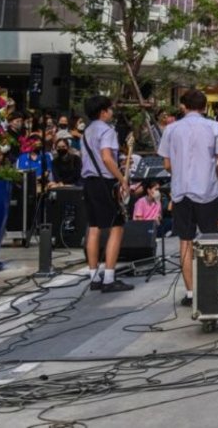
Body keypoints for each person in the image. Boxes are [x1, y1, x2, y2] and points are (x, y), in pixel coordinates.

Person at [158, 89, 218, 306]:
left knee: (185, 240)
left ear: (183, 106)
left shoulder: (171, 129)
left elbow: (166, 164)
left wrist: (181, 174)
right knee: (210, 239)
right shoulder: (214, 127)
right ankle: (211, 287)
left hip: (181, 191)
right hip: (207, 190)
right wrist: (217, 176)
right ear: (204, 107)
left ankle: (191, 292)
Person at [80, 95, 133, 293]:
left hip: (89, 181)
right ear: (103, 112)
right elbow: (106, 158)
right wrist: (122, 179)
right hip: (104, 181)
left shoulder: (86, 131)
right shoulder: (107, 130)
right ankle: (109, 277)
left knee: (94, 227)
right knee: (116, 227)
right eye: (110, 109)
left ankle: (94, 276)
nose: (112, 112)